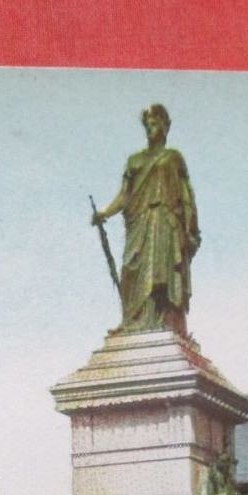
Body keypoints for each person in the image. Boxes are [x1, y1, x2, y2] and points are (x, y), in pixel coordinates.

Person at [92, 104, 200, 337]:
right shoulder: (135, 161)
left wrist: (191, 229)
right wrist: (104, 213)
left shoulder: (173, 158)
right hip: (139, 222)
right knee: (131, 269)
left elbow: (186, 196)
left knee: (161, 273)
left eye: (156, 124)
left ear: (166, 126)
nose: (152, 129)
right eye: (148, 125)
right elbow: (124, 195)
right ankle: (132, 320)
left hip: (165, 220)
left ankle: (165, 320)